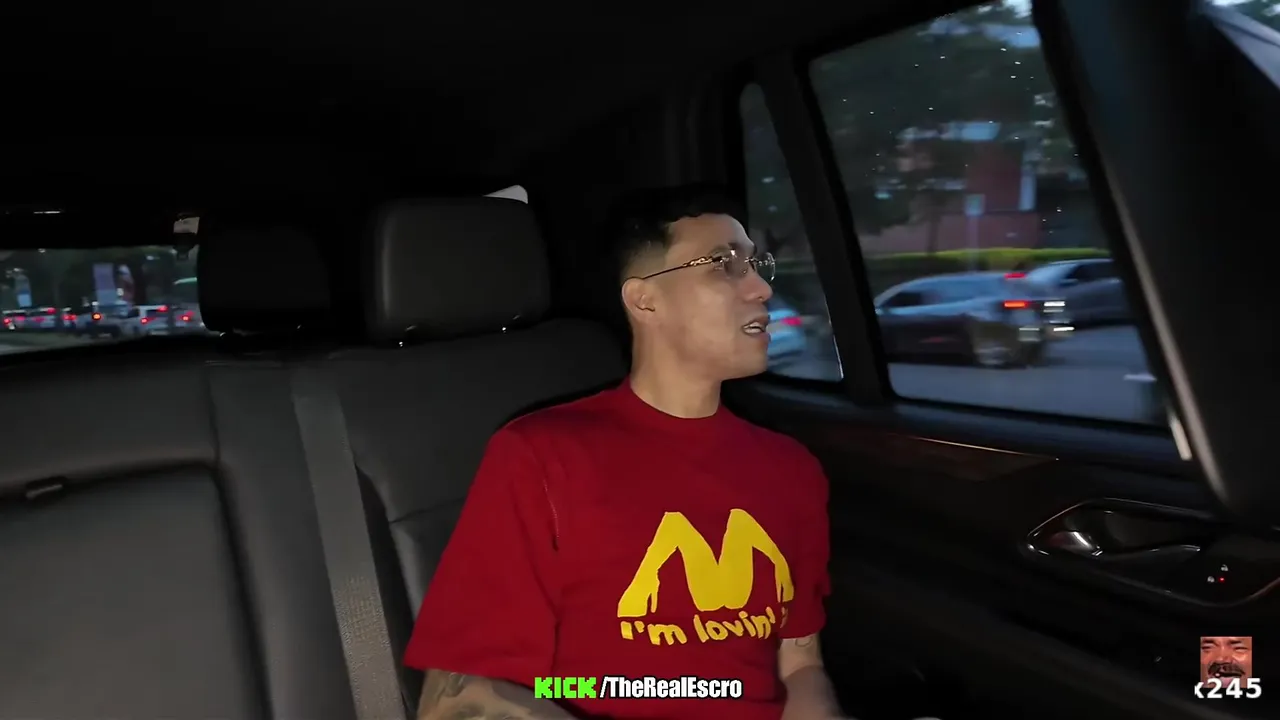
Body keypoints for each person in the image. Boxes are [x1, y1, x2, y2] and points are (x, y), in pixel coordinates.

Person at [404, 186, 859, 720]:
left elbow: (799, 663)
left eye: (756, 265)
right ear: (645, 300)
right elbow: (460, 694)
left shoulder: (791, 468)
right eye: (723, 265)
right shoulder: (543, 456)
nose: (761, 287)